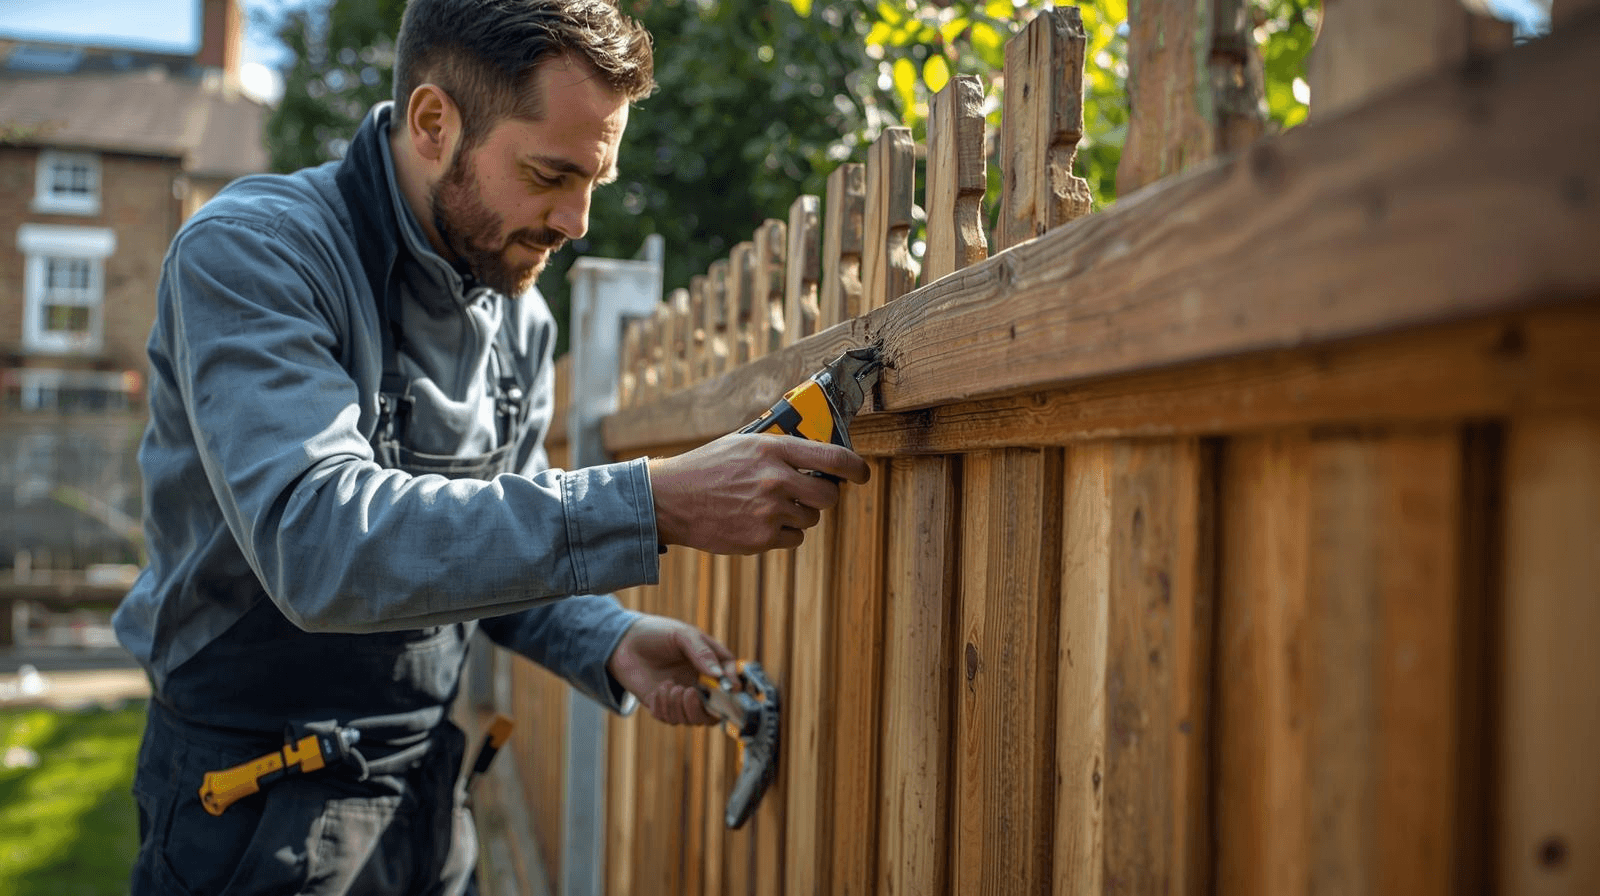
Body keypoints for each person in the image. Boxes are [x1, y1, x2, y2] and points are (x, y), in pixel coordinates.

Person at [113, 0, 869, 892]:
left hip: (429, 794)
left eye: (596, 181)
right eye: (551, 174)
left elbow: (484, 545)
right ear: (434, 121)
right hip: (246, 804)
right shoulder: (256, 255)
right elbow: (319, 543)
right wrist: (653, 500)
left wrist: (606, 638)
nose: (579, 221)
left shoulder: (519, 318)